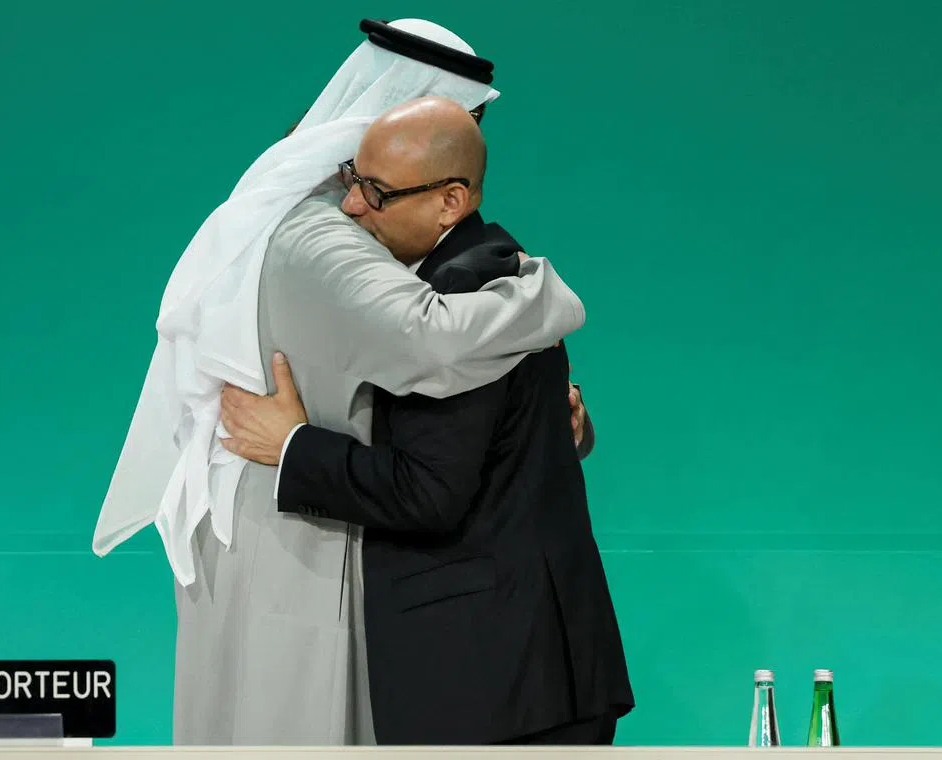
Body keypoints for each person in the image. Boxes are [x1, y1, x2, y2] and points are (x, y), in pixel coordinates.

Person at [91, 19, 587, 745]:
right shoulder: (321, 230)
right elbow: (430, 339)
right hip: (294, 534)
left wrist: (537, 416)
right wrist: (545, 297)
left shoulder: (301, 208)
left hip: (286, 512)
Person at [220, 97, 634, 745]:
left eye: (377, 193)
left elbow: (429, 492)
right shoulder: (484, 269)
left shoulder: (459, 292)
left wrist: (292, 446)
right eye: (353, 180)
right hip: (524, 674)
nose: (353, 207)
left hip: (499, 683)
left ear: (450, 200)